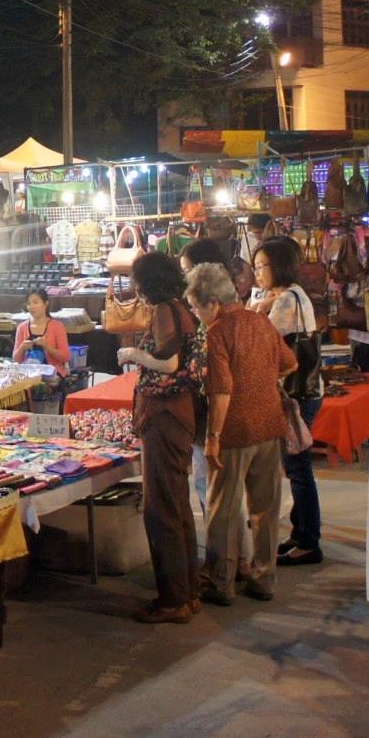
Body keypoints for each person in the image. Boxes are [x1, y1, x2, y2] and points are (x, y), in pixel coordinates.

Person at [187, 262, 292, 605]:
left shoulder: (218, 331)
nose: (194, 313)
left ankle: (221, 583)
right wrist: (263, 383)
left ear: (210, 302)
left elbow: (221, 390)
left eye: (194, 306)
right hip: (269, 424)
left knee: (224, 510)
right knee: (265, 508)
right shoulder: (260, 321)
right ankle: (264, 579)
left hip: (233, 430)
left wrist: (212, 437)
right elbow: (290, 363)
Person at [117, 251, 201, 623]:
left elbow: (170, 362)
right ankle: (188, 593)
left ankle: (173, 600)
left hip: (165, 415)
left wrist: (134, 354)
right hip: (176, 415)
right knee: (177, 504)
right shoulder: (180, 308)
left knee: (162, 508)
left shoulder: (167, 311)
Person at [254, 238, 324, 566]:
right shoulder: (293, 295)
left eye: (261, 266)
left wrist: (257, 309)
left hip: (296, 394)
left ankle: (309, 541)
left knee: (298, 467)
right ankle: (300, 533)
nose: (257, 273)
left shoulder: (285, 300)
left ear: (278, 265)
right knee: (298, 466)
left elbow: (260, 341)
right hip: (306, 392)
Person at [12, 289, 71, 374]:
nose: (31, 306)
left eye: (35, 302)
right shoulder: (22, 327)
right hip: (27, 374)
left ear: (46, 304)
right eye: (29, 304)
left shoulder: (57, 326)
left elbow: (65, 357)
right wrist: (22, 347)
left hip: (52, 375)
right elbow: (15, 360)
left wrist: (46, 346)